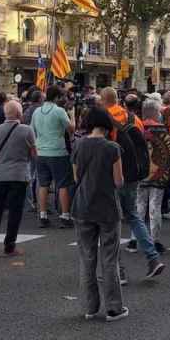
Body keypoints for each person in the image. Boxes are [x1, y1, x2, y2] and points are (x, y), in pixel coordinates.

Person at [71, 106, 128, 322]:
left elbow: (76, 177)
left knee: (86, 258)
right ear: (106, 125)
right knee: (109, 258)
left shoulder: (78, 146)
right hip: (107, 207)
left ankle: (90, 307)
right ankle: (114, 308)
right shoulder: (112, 148)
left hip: (83, 206)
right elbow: (118, 181)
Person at [101, 89, 165, 280]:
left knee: (110, 222)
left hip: (114, 173)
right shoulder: (132, 117)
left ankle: (117, 271)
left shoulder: (105, 117)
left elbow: (106, 148)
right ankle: (153, 258)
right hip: (135, 173)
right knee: (133, 215)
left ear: (104, 101)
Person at [0, 100, 37, 256]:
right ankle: (10, 245)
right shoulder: (27, 130)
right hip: (20, 174)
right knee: (15, 211)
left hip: (1, 174)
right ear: (19, 114)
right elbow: (34, 154)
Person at [31, 85, 75, 228]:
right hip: (57, 152)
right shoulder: (59, 111)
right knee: (62, 184)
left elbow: (33, 131)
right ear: (56, 97)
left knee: (43, 184)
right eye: (62, 96)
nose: (64, 99)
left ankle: (42, 215)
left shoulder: (37, 111)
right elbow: (71, 130)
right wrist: (73, 116)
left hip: (41, 151)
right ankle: (65, 215)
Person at [139, 99, 170, 253]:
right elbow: (168, 152)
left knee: (139, 207)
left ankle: (136, 240)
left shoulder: (138, 127)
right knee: (155, 207)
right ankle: (154, 240)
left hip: (140, 174)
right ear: (156, 113)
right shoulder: (163, 131)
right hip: (159, 174)